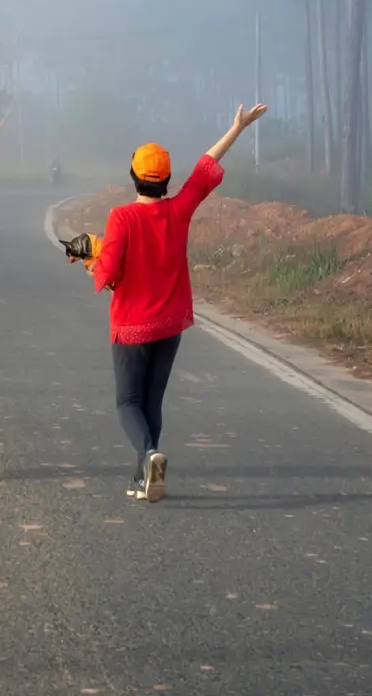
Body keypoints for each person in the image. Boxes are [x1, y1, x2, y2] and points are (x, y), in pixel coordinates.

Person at [83, 104, 268, 503]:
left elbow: (108, 273)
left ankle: (148, 455)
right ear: (166, 179)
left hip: (132, 327)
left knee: (127, 402)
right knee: (152, 401)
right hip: (169, 326)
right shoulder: (179, 209)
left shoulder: (121, 217)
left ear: (133, 176)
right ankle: (144, 477)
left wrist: (89, 259)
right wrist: (236, 128)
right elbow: (205, 168)